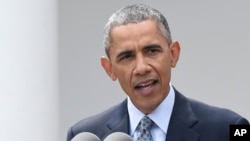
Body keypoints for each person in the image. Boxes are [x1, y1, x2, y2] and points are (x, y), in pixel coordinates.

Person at [67, 4, 249, 141]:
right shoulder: (86, 134)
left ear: (173, 54)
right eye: (127, 57)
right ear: (109, 69)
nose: (142, 68)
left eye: (152, 51)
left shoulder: (229, 128)